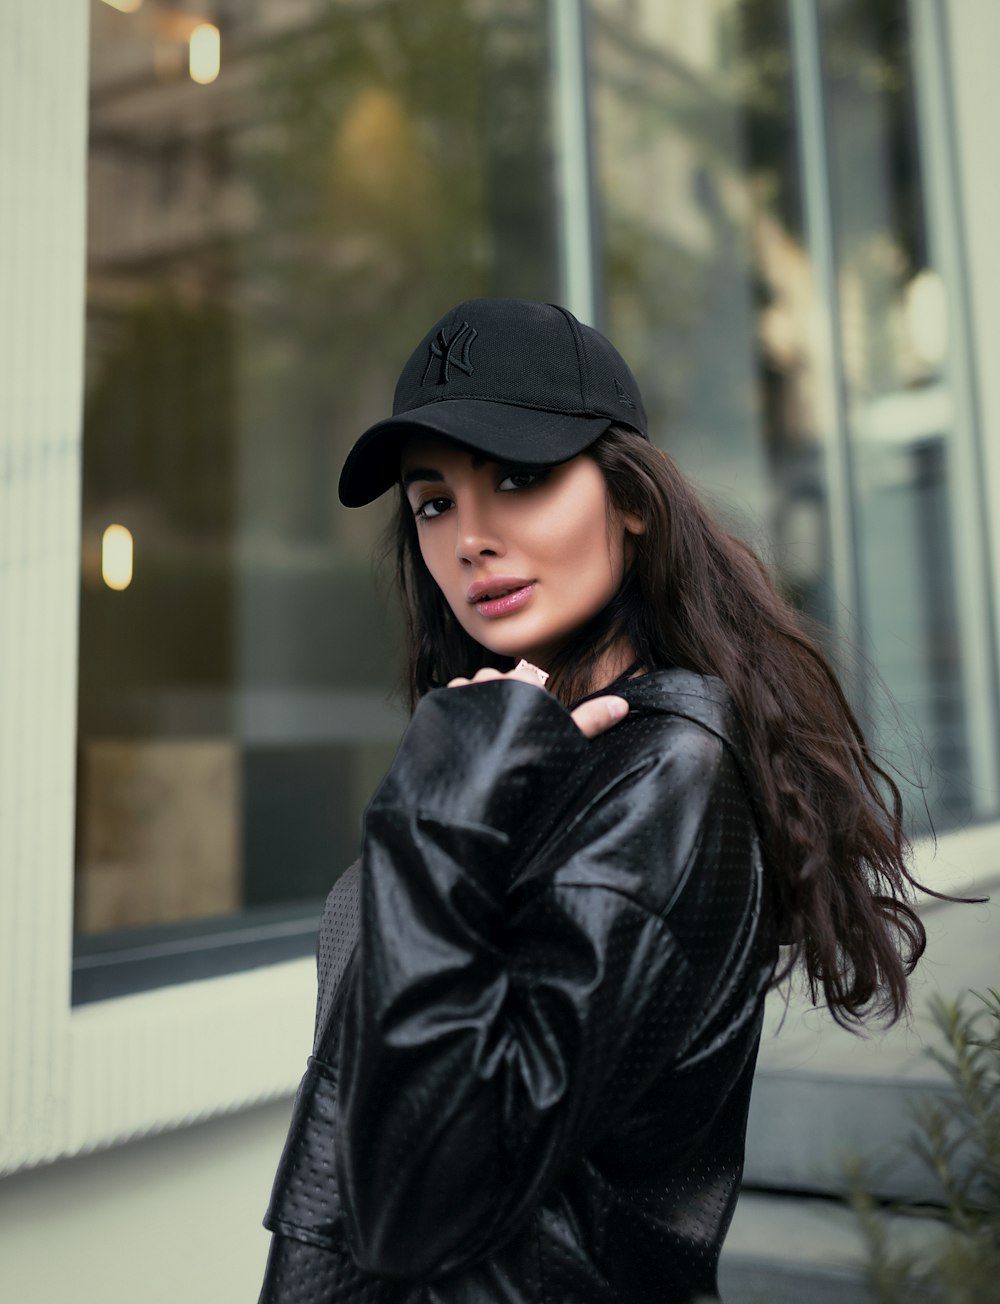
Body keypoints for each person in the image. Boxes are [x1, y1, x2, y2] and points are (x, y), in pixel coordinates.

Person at [259, 298, 926, 1303]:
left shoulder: (667, 774)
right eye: (432, 500)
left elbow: (420, 1201)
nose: (470, 537)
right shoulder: (528, 746)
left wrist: (436, 811)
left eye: (518, 478)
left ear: (632, 501)